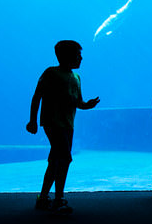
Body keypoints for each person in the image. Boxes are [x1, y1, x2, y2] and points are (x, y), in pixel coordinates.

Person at [26, 40, 100, 214]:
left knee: (55, 160)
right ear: (66, 56)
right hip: (52, 122)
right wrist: (33, 120)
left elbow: (77, 101)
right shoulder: (51, 73)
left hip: (68, 124)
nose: (81, 58)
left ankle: (43, 197)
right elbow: (37, 96)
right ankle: (58, 199)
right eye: (78, 54)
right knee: (65, 158)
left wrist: (87, 105)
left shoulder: (76, 78)